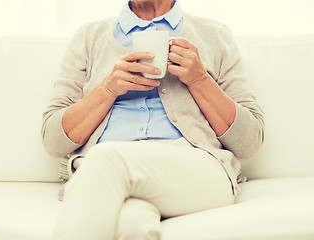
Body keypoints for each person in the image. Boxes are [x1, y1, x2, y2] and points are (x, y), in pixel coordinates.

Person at [41, 0, 264, 239]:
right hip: (109, 174)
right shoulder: (89, 37)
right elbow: (54, 141)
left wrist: (200, 80)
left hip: (197, 169)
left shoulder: (214, 35)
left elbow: (249, 142)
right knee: (131, 225)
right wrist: (107, 89)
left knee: (107, 158)